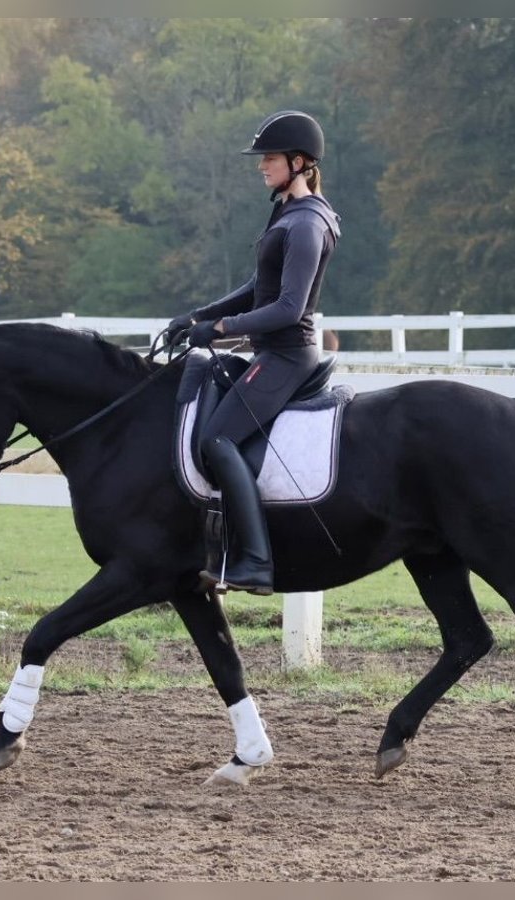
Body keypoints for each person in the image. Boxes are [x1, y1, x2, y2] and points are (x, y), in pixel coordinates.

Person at [165, 110, 341, 595]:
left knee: (218, 441)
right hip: (272, 352)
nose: (262, 166)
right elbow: (257, 287)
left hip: (286, 356)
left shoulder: (306, 223)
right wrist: (198, 316)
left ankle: (257, 562)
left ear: (299, 162)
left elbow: (287, 308)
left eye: (270, 158)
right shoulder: (287, 213)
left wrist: (220, 328)